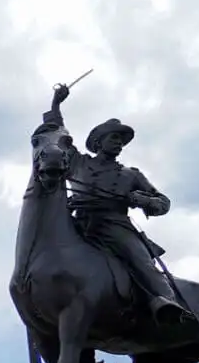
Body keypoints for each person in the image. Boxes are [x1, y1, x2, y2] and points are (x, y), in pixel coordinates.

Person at [35, 82, 187, 325]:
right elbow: (58, 134)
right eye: (114, 138)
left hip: (116, 226)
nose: (119, 143)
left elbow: (163, 203)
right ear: (99, 142)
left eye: (122, 141)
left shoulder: (131, 175)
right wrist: (56, 103)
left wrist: (142, 199)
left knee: (141, 261)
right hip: (79, 223)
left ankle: (167, 302)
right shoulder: (78, 163)